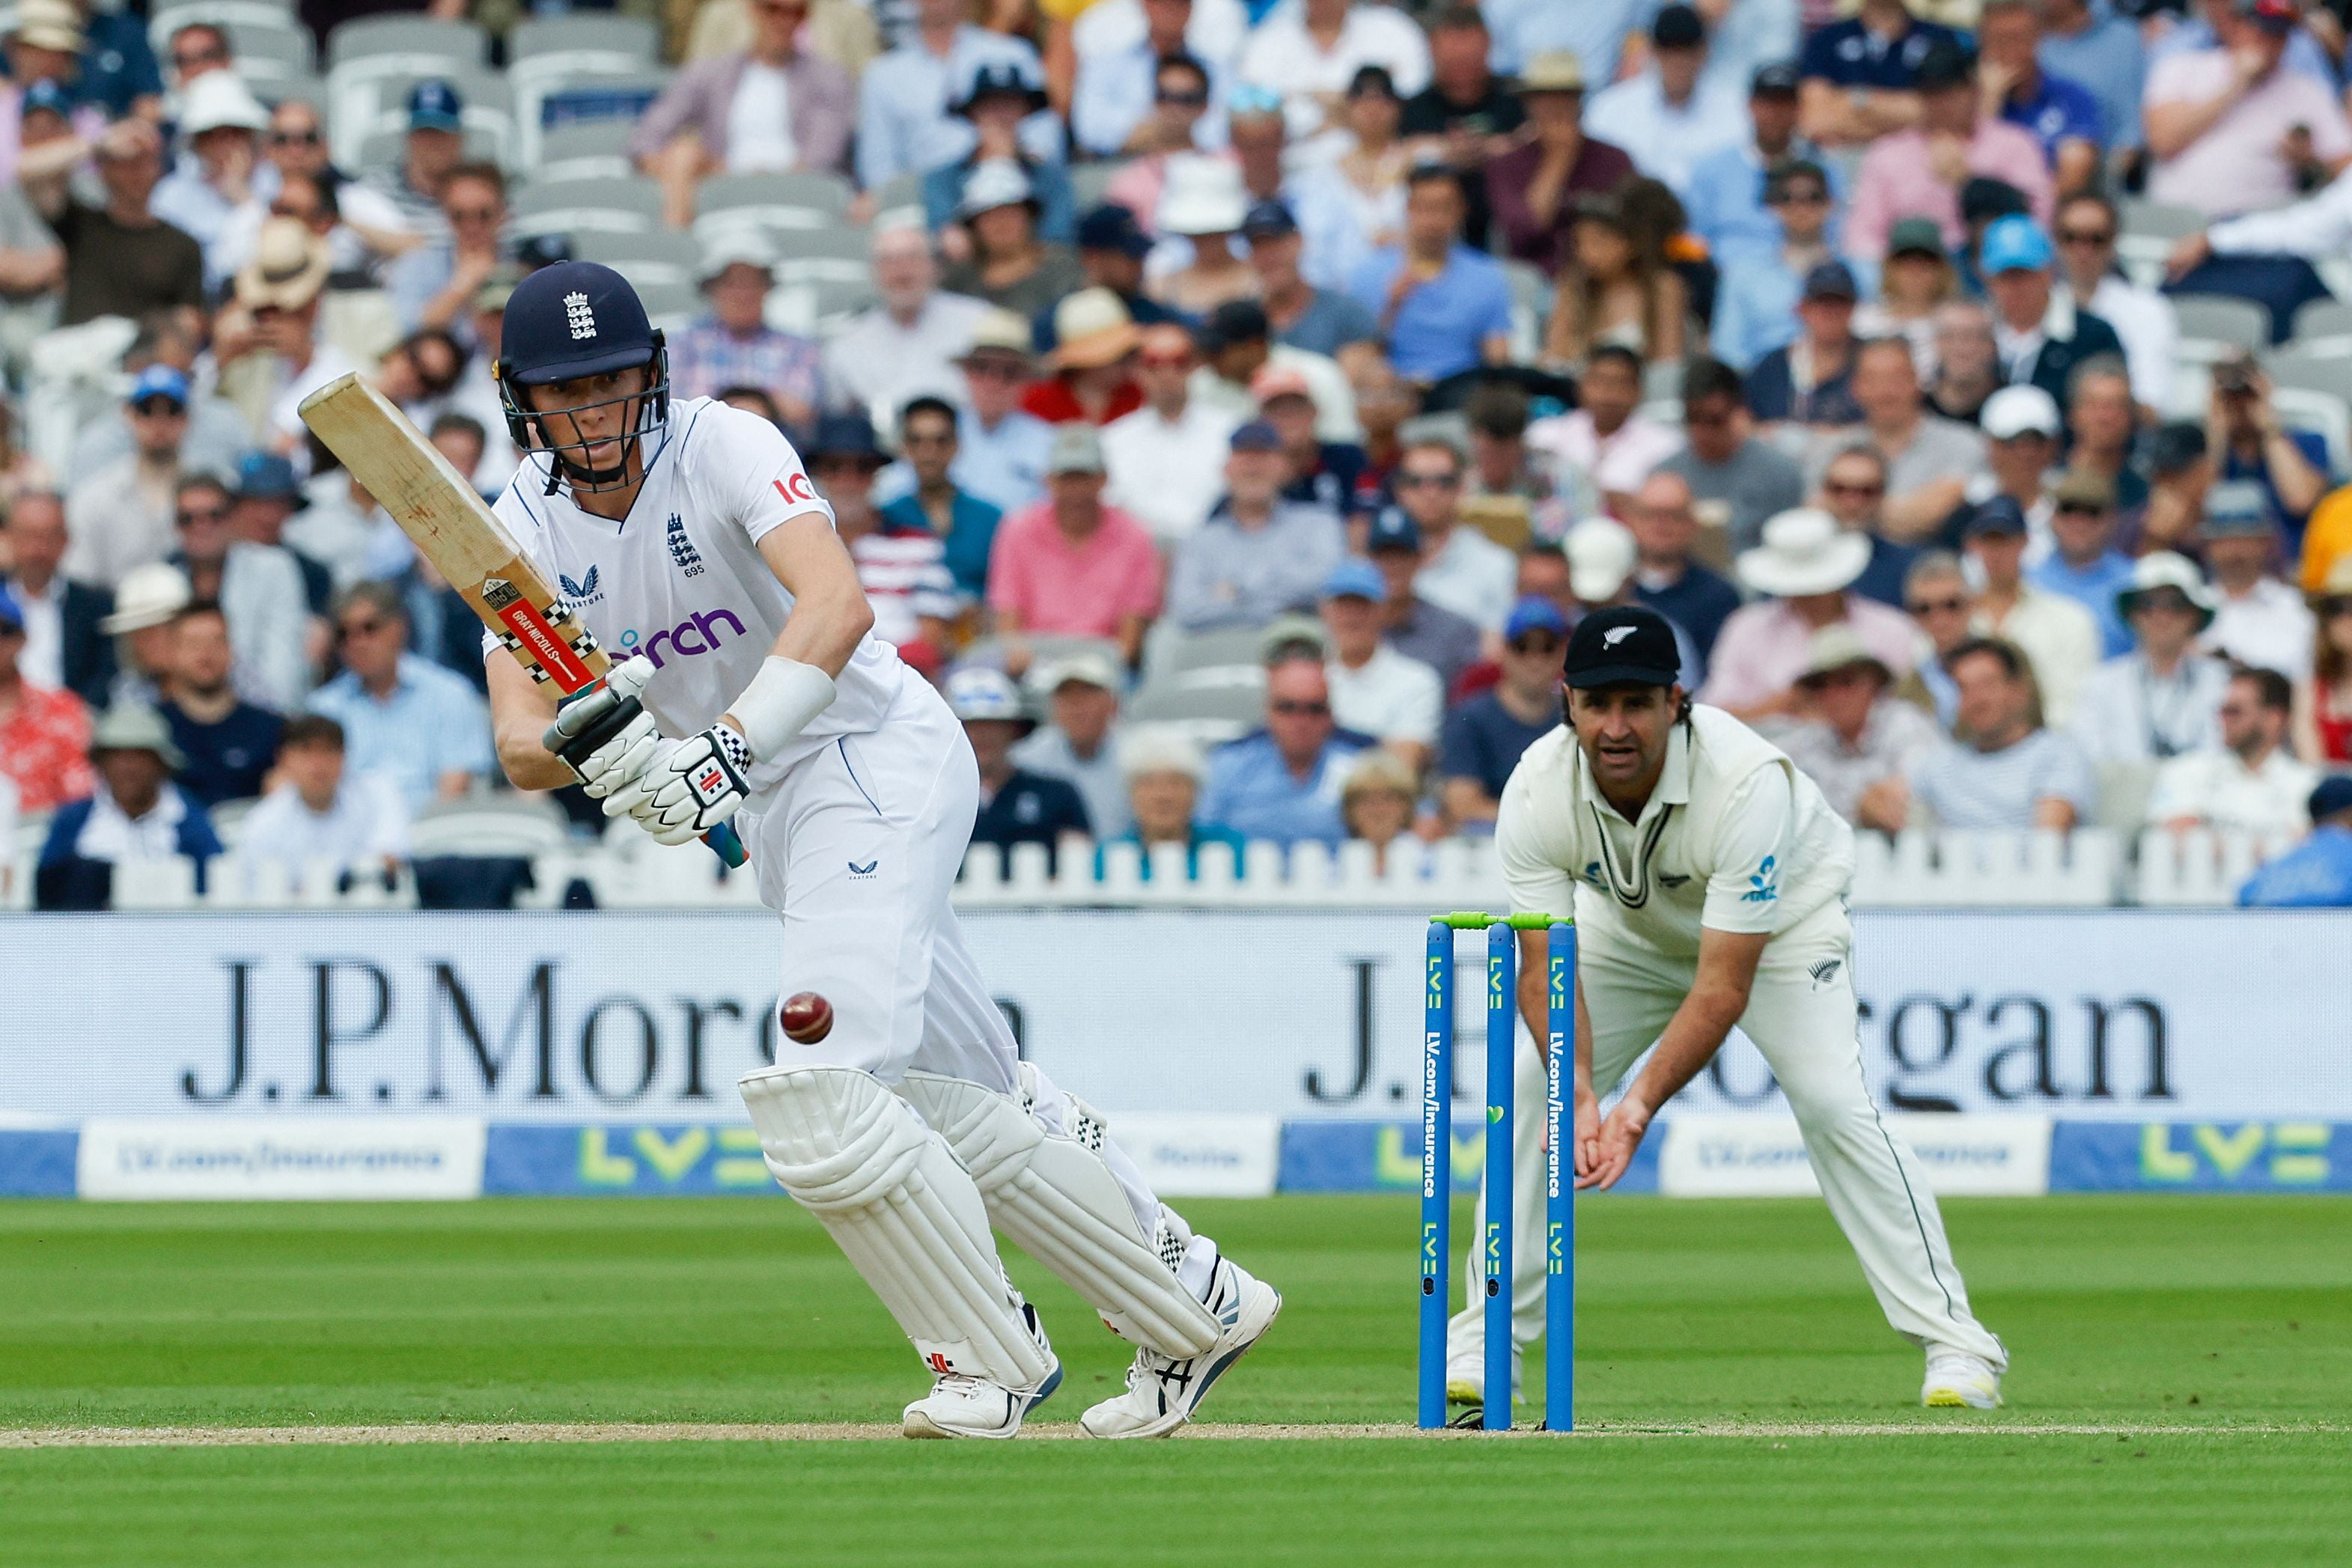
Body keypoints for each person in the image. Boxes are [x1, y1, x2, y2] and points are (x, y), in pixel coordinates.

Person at [480, 259, 1279, 1439]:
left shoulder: (725, 444)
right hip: (776, 814)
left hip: (869, 755)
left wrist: (725, 747)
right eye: (565, 393)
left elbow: (837, 602)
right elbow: (519, 743)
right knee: (972, 1092)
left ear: (648, 377)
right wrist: (611, 746)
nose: (591, 413)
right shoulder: (518, 526)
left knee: (824, 1081)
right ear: (525, 402)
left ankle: (988, 1362)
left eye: (609, 384)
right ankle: (1197, 1299)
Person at [1463, 603, 2007, 1409]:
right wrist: (1576, 1089)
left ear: (1674, 702)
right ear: (1568, 702)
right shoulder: (1536, 787)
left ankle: (1959, 1347)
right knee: (1527, 1094)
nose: (1617, 726)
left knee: (1833, 1104)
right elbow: (1543, 964)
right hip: (1633, 929)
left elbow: (1721, 985)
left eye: (1637, 703)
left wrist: (1634, 1107)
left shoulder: (1746, 781)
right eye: (1599, 703)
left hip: (1783, 928)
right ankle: (1485, 1336)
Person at [1843, 37, 2052, 264]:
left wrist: (1967, 182)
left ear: (1972, 90)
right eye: (1930, 93)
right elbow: (1862, 238)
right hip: (1914, 274)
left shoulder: (2014, 144)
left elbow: (2037, 221)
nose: (1940, 103)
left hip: (1994, 273)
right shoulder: (1887, 154)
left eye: (1948, 91)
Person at [1701, 507, 1919, 722]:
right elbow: (1714, 715)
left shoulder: (1892, 629)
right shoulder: (1746, 629)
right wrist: (1781, 706)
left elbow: (1911, 708)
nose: (1809, 594)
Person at [2142, 0, 2352, 219]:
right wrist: (2237, 84)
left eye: (2280, 33)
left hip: (2259, 231)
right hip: (2174, 220)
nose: (2270, 42)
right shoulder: (2182, 68)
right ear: (2237, 25)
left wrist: (2310, 163)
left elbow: (2346, 171)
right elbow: (2163, 142)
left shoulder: (2307, 91)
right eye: (2261, 29)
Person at [1872, 635, 2097, 831]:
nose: (1976, 699)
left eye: (1987, 684)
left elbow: (2049, 840)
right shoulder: (1942, 763)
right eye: (1963, 688)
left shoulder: (2058, 753)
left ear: (2020, 690)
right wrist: (1868, 806)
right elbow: (1880, 796)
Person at [985, 423, 1162, 669]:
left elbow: (1129, 640)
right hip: (1033, 664)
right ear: (1049, 481)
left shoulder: (1134, 536)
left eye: (1084, 478)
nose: (1076, 491)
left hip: (1103, 667)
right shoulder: (1018, 530)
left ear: (1103, 480)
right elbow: (1007, 620)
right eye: (1067, 479)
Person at [306, 581, 493, 813]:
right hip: (346, 839)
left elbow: (456, 786)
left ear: (399, 627)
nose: (357, 643)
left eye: (369, 628)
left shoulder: (449, 694)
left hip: (433, 835)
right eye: (344, 634)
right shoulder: (322, 708)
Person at [856, 0, 1061, 192]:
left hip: (1012, 194)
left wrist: (1009, 157)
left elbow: (1046, 146)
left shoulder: (1012, 54)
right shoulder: (882, 74)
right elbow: (879, 172)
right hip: (921, 204)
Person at [19, 116, 204, 327]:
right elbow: (24, 172)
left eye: (143, 163)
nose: (135, 174)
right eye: (124, 164)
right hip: (76, 350)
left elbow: (190, 321)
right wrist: (99, 144)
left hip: (143, 352)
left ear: (158, 169)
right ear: (104, 172)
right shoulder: (79, 223)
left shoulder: (183, 245)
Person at [34, 702, 220, 910]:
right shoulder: (74, 819)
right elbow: (46, 889)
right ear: (101, 764)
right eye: (116, 756)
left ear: (162, 763)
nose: (127, 767)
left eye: (139, 756)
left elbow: (215, 884)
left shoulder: (188, 818)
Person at [1344, 162, 1512, 387]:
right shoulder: (1368, 275)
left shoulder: (1487, 277)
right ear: (1408, 208)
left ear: (1462, 210)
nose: (1433, 220)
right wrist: (1391, 307)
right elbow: (1358, 363)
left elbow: (1498, 359)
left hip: (1462, 390)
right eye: (1423, 207)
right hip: (1395, 393)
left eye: (1444, 208)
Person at [1164, 422, 1344, 631]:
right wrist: (1283, 604)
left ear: (1284, 467)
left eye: (1262, 458)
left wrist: (1238, 591)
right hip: (1221, 651)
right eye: (1244, 458)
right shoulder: (1200, 539)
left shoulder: (1318, 524)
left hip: (1295, 649)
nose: (1253, 467)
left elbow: (1326, 585)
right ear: (1226, 469)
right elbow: (1187, 610)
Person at [1762, 623, 1940, 826]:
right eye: (1821, 685)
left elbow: (1917, 795)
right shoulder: (1808, 741)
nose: (1833, 695)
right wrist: (1859, 806)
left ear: (1874, 684)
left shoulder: (1903, 721)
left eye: (1846, 681)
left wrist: (1869, 804)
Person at [166, 476, 311, 713]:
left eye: (214, 515)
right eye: (187, 518)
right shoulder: (163, 576)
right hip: (184, 715)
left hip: (263, 715)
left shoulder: (273, 568)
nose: (202, 526)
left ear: (233, 517)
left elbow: (283, 667)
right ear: (175, 526)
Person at [2072, 552, 2232, 764]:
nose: (2161, 615)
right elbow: (2090, 758)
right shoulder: (2101, 684)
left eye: (2175, 604)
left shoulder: (2224, 683)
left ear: (2195, 615)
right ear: (2134, 614)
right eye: (2147, 604)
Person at [1485, 51, 1636, 276]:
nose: (1556, 106)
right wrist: (1559, 159)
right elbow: (1526, 231)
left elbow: (1630, 230)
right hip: (1535, 278)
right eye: (1545, 97)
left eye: (1565, 96)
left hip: (1603, 277)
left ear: (1579, 102)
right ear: (1529, 105)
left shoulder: (1614, 160)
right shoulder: (1506, 165)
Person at [824, 226, 991, 428]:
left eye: (913, 258)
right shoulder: (848, 343)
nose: (902, 272)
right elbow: (840, 416)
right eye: (889, 261)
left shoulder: (980, 322)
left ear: (935, 265)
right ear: (874, 272)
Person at [1198, 650, 1368, 846]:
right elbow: (1200, 836)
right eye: (1287, 707)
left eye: (1315, 708)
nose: (1302, 720)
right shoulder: (1226, 768)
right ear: (1268, 712)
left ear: (1331, 714)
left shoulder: (1361, 767)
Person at [1961, 494, 2101, 729]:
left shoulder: (2070, 620)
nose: (1997, 552)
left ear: (2024, 542)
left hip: (2046, 748)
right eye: (1989, 541)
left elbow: (2074, 706)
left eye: (2005, 540)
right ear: (1973, 545)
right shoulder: (1952, 619)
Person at [1583, 4, 1746, 204]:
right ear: (1652, 51)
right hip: (1631, 224)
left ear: (1704, 51)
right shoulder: (1610, 109)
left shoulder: (1736, 110)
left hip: (1708, 227)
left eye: (1687, 49)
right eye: (1668, 49)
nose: (1678, 60)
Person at [1436, 594, 1566, 831]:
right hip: (1491, 846)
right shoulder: (1471, 718)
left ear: (1561, 654)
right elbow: (1462, 807)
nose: (1534, 660)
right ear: (1504, 651)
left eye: (1546, 648)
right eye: (1522, 647)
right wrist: (1546, 822)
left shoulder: (1573, 718)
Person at [1100, 323, 1237, 546]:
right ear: (1137, 371)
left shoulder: (1229, 430)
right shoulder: (1113, 440)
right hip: (1139, 557)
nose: (1167, 373)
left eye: (1179, 362)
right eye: (1153, 363)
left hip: (1212, 552)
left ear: (1195, 366)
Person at [234, 713, 410, 886]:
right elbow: (259, 896)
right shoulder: (262, 823)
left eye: (329, 751)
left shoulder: (378, 793)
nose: (319, 764)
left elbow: (389, 859)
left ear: (344, 756)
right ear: (283, 759)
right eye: (306, 751)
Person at [1977, 215, 2128, 416]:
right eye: (2006, 276)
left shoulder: (2092, 335)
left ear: (2048, 273)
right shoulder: (1973, 332)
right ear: (1988, 278)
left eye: (2025, 275)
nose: (2016, 287)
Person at [1840, 336, 1986, 545]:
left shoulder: (1964, 443)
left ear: (1917, 381)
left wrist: (1848, 505)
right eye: (1873, 379)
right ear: (1855, 387)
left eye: (1896, 378)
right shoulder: (1836, 447)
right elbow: (1814, 512)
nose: (1885, 391)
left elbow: (1930, 513)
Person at [1400, 4, 1524, 245]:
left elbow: (1538, 139)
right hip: (1434, 229)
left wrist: (1488, 149)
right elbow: (1398, 155)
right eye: (1453, 61)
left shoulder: (1517, 99)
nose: (1462, 71)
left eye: (1470, 60)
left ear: (1488, 45)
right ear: (1432, 48)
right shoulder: (1413, 109)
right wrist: (1447, 151)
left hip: (1511, 222)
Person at [949, 665, 1094, 869]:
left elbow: (1080, 868)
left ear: (1014, 730)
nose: (981, 735)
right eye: (970, 726)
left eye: (992, 725)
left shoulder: (1057, 795)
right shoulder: (929, 799)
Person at [2145, 664, 2315, 836]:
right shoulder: (2187, 770)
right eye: (2222, 710)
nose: (2223, 719)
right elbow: (2170, 835)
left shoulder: (2306, 786)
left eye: (2234, 711)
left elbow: (2306, 846)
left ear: (2274, 719)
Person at [924, 62, 1079, 251]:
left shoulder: (1051, 177)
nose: (1001, 116)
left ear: (1025, 112)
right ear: (973, 115)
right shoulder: (942, 179)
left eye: (1010, 106)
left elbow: (1057, 238)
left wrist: (1007, 167)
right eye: (990, 106)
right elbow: (946, 237)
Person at [671, 237, 823, 427]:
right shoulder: (683, 345)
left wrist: (756, 406)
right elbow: (672, 410)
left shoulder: (798, 347)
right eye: (731, 283)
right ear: (711, 289)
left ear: (768, 288)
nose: (742, 294)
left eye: (752, 282)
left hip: (776, 445)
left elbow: (803, 410)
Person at [1658, 359, 1805, 554]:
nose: (1702, 431)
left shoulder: (1780, 474)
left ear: (1738, 412)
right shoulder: (1664, 476)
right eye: (1693, 418)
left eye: (1714, 420)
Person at [63, 366, 190, 590]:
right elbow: (81, 581)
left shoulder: (210, 493)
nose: (159, 422)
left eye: (172, 410)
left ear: (186, 418)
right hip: (113, 614)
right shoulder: (94, 497)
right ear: (128, 415)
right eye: (146, 410)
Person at [1234, 0, 1431, 144]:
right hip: (1292, 165)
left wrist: (1312, 97)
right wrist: (1348, 104)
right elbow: (1252, 109)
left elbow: (1414, 99)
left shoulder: (1395, 30)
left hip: (1381, 164)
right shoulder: (1266, 40)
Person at [1288, 65, 1412, 295]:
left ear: (1397, 107)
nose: (1372, 110)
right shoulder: (1323, 171)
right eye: (1363, 101)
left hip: (1410, 286)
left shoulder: (1419, 163)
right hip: (1342, 291)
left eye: (1382, 101)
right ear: (1348, 108)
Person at [1711, 159, 1839, 376]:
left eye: (1813, 197)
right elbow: (1728, 353)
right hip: (1764, 388)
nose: (1801, 207)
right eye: (1788, 198)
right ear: (1774, 207)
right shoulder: (1743, 275)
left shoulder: (1860, 272)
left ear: (1830, 204)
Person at [1526, 345, 1681, 522]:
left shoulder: (1665, 446)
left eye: (1621, 383)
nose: (1608, 393)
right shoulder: (1546, 435)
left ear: (1639, 391)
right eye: (1599, 381)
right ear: (1580, 386)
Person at [2050, 195, 2174, 415]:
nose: (2083, 251)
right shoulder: (2040, 303)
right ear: (2056, 241)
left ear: (2114, 241)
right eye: (2071, 237)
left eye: (2096, 239)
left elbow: (2150, 403)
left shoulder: (2148, 309)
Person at [1686, 62, 1823, 260]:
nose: (1775, 113)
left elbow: (1835, 240)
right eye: (1767, 103)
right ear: (1750, 105)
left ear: (1798, 108)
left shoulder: (1821, 170)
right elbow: (1695, 240)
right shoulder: (1711, 170)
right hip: (1724, 278)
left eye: (1784, 103)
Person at [1543, 189, 1688, 371]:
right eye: (1579, 242)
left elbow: (1668, 365)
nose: (1586, 253)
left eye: (1599, 241)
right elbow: (1554, 356)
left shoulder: (1663, 288)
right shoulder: (1572, 287)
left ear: (1632, 243)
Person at [1318, 559, 1442, 772]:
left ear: (1383, 611)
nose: (1351, 618)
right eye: (1343, 607)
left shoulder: (1417, 680)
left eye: (1362, 607)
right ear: (1325, 612)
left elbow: (1402, 769)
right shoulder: (1311, 678)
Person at [880, 395, 1003, 608]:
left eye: (940, 441)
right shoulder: (887, 518)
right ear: (904, 448)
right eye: (917, 441)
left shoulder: (990, 519)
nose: (929, 453)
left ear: (957, 445)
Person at [156, 603, 282, 809]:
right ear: (173, 653)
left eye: (216, 642)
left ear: (231, 650)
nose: (206, 654)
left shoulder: (270, 729)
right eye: (193, 643)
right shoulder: (153, 730)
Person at [1797, 0, 1966, 150]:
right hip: (1844, 154)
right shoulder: (1826, 40)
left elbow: (1946, 115)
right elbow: (1816, 120)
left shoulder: (1939, 38)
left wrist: (1857, 100)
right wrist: (1903, 114)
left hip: (1918, 156)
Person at [1073, 0, 1230, 160]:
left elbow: (1226, 129)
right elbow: (1089, 129)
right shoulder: (1107, 65)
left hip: (1197, 167)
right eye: (1162, 2)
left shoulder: (1216, 69)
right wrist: (1143, 131)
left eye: (1181, 3)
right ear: (1145, 4)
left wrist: (1174, 135)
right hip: (1121, 165)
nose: (1171, 8)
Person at [938, 309, 1058, 516]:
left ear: (1026, 381)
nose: (993, 382)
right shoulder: (937, 432)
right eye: (981, 368)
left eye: (1009, 373)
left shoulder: (1048, 442)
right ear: (966, 373)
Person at [2205, 351, 2330, 549]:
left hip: (2291, 566)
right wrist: (2216, 436)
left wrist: (2269, 425)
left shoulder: (2309, 442)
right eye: (2228, 394)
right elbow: (2202, 509)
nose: (2239, 401)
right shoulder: (2203, 452)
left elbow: (2300, 501)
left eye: (2246, 392)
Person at [1976, 0, 2102, 197]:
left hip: (2048, 212)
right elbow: (1970, 173)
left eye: (2017, 38)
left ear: (2038, 39)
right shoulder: (1966, 100)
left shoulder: (2071, 96)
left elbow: (2076, 173)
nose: (2008, 51)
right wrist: (1989, 102)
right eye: (1998, 40)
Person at [1395, 428, 1515, 633]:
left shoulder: (1495, 563)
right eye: (1416, 482)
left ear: (1462, 487)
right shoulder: (1376, 562)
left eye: (1444, 481)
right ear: (1400, 490)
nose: (1430, 493)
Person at [1243, 199, 1382, 373]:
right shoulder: (1242, 321)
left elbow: (1357, 383)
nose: (1269, 256)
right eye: (1258, 247)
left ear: (1299, 241)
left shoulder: (1345, 313)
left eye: (1277, 243)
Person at [940, 160, 1088, 322]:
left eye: (1011, 213)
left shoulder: (1064, 265)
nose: (1001, 223)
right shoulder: (957, 280)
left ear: (1029, 216)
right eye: (989, 217)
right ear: (973, 226)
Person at [2, 490, 111, 707]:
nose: (38, 549)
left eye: (49, 537)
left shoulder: (97, 606)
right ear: (9, 537)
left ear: (65, 540)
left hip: (72, 727)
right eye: (28, 535)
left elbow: (104, 676)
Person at [1094, 724, 1244, 881]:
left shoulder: (1230, 849)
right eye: (1149, 784)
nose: (1163, 796)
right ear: (1131, 794)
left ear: (1196, 792)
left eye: (1175, 783)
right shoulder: (1107, 857)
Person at [2199, 482, 2314, 678]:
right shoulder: (2191, 609)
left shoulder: (2296, 609)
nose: (2235, 550)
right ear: (2208, 545)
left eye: (2245, 538)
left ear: (2266, 542)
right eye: (2224, 539)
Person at [1011, 650, 1129, 839]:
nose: (1077, 706)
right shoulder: (1027, 758)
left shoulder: (1138, 757)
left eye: (1088, 694)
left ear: (1113, 704)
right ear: (1053, 708)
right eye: (1066, 696)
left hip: (1125, 863)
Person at [1626, 469, 1739, 664]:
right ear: (1632, 521)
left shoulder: (1718, 596)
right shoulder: (1609, 587)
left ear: (1693, 524)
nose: (1662, 526)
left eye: (1675, 516)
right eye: (1651, 515)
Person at [1364, 506, 1481, 693]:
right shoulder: (1352, 625)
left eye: (1402, 555)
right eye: (1383, 556)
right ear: (1369, 560)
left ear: (1420, 559)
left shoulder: (1455, 630)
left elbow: (1466, 701)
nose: (1393, 565)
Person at [0, 583, 94, 814]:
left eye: (4, 632)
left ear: (23, 638)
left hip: (42, 837)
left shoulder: (62, 710)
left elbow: (79, 797)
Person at [2029, 467, 2136, 658]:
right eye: (2068, 509)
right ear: (2053, 517)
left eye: (2092, 512)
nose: (2078, 522)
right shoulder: (2028, 580)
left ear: (2112, 519)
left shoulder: (2135, 582)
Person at [1743, 260, 1862, 429]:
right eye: (1821, 303)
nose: (1830, 312)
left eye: (1840, 303)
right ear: (1802, 308)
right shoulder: (1772, 369)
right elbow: (1744, 421)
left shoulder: (1872, 363)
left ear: (1853, 308)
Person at [1814, 444, 1921, 611]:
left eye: (1866, 491)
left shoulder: (1911, 567)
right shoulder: (1795, 561)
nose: (1851, 503)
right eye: (1839, 489)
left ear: (1883, 494)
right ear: (1824, 492)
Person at [1149, 155, 1258, 316]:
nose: (1207, 241)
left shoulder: (1259, 280)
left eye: (1215, 233)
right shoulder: (1162, 287)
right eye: (1198, 234)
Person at [2040, 0, 2145, 165]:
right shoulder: (2017, 31)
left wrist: (2111, 178)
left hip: (2101, 172)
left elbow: (2131, 129)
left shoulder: (2122, 38)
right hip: (2023, 171)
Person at [1853, 219, 1956, 378]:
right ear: (1889, 268)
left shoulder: (1958, 324)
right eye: (1905, 262)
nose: (1915, 272)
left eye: (1926, 262)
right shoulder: (1863, 322)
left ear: (1942, 269)